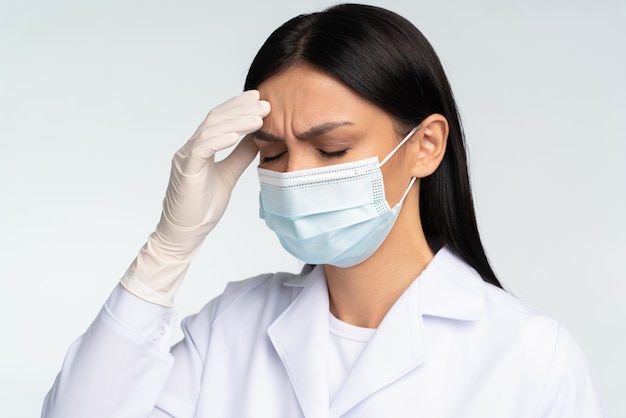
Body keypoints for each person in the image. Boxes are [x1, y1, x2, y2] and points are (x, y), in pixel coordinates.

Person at [42, 4, 606, 417]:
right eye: (273, 151)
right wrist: (169, 247)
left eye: (333, 149)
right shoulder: (232, 326)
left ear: (425, 146)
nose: (296, 176)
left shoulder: (528, 355)